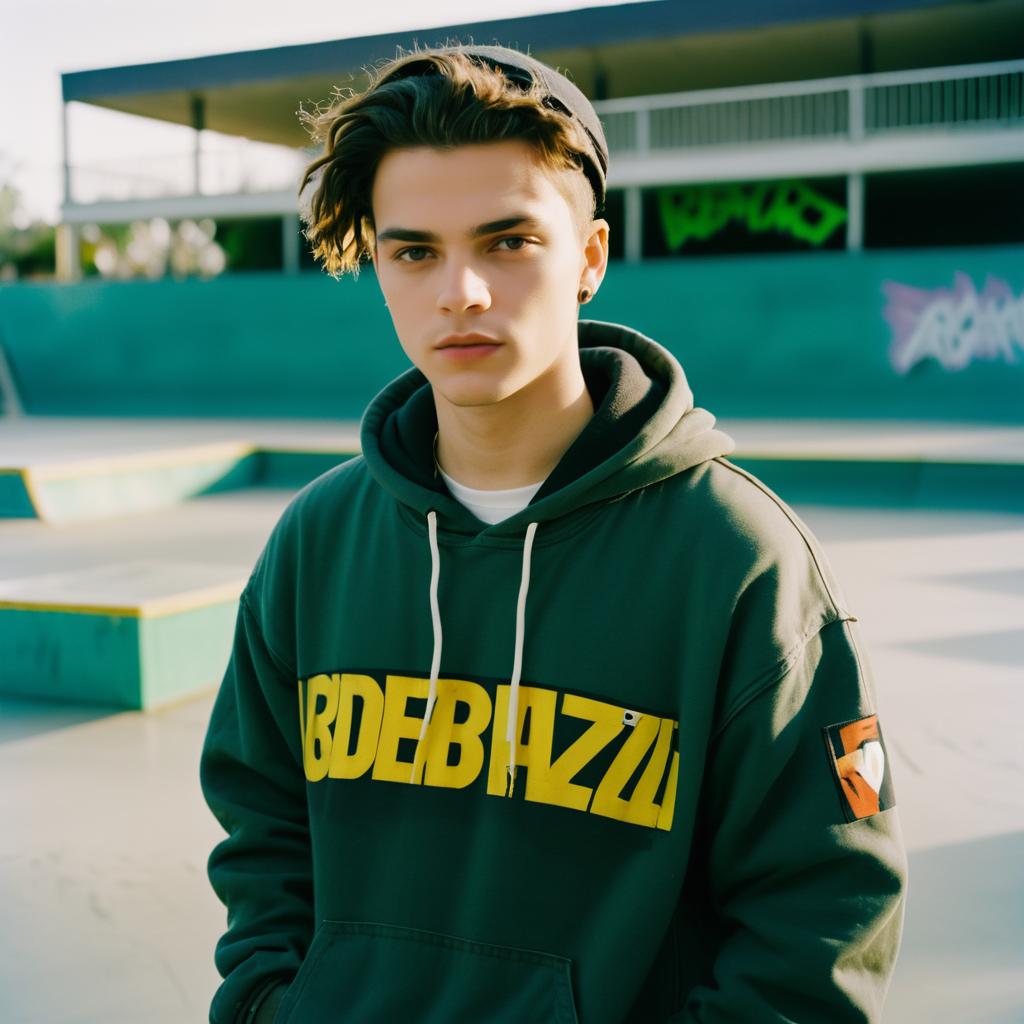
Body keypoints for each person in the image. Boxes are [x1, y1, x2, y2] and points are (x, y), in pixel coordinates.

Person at [199, 43, 907, 1024]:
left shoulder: (736, 558)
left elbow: (822, 909)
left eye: (507, 241)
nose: (462, 293)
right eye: (414, 251)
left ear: (589, 257)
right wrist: (270, 1002)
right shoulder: (318, 541)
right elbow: (261, 822)